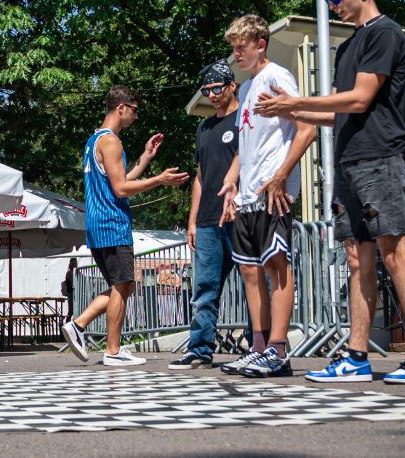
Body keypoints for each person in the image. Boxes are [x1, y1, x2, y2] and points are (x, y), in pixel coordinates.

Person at [256, 0, 405, 385]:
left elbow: (359, 98)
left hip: (381, 157)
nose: (332, 6)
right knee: (357, 258)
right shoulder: (348, 46)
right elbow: (337, 112)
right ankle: (357, 357)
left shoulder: (385, 33)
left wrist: (297, 102)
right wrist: (286, 111)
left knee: (394, 252)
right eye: (328, 0)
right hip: (350, 161)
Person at [212, 19, 316, 378]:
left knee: (276, 266)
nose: (236, 54)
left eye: (242, 47)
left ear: (260, 43)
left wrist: (282, 175)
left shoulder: (277, 77)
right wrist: (231, 180)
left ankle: (278, 350)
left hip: (274, 191)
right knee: (248, 269)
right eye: (233, 48)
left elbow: (307, 129)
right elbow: (246, 143)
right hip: (248, 194)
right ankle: (257, 347)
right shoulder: (246, 88)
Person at [60, 85, 190, 366]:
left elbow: (120, 179)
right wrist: (160, 180)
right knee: (122, 286)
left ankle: (79, 325)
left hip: (97, 223)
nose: (135, 116)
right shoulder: (112, 141)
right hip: (112, 222)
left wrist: (146, 157)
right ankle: (112, 350)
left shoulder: (95, 140)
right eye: (134, 110)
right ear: (121, 108)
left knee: (125, 285)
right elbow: (121, 189)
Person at [170, 60, 243, 370]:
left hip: (239, 215)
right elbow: (200, 176)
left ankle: (262, 345)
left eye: (217, 88)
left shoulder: (244, 119)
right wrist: (192, 220)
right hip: (208, 221)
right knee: (204, 289)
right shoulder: (204, 127)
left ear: (232, 86)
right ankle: (200, 349)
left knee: (253, 284)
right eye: (206, 90)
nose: (211, 95)